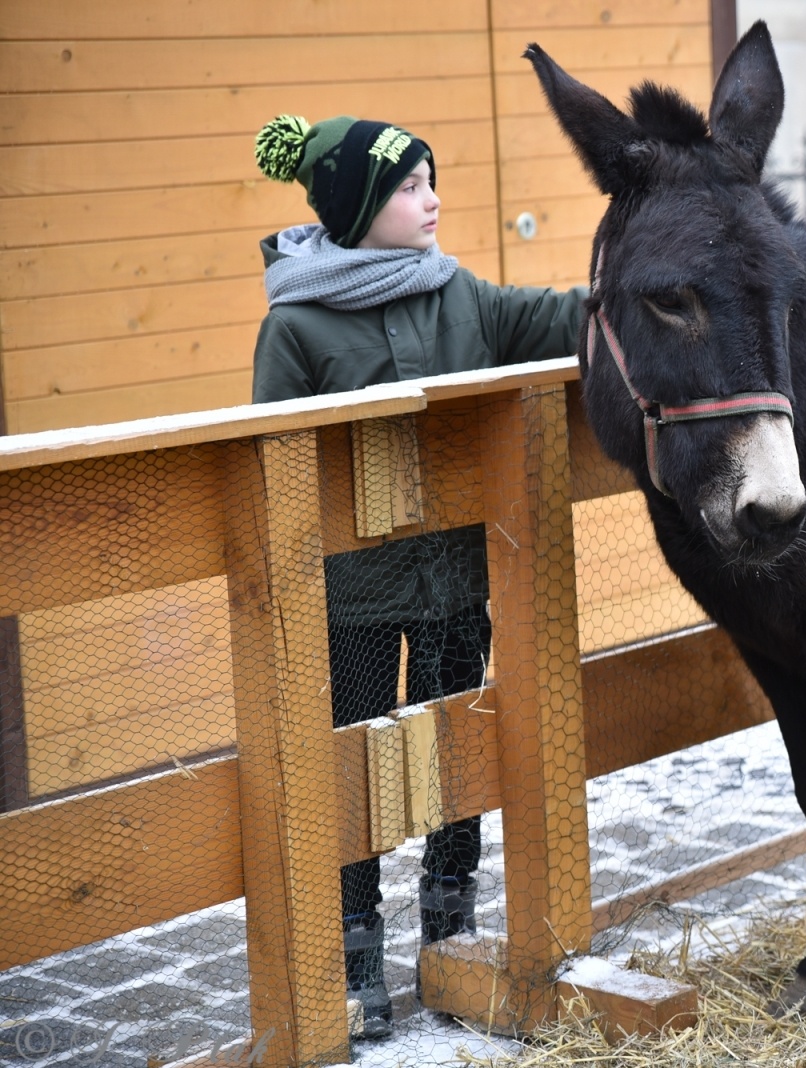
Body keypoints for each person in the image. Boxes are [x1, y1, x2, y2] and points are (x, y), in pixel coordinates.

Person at [251, 114, 587, 1040]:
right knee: (350, 771)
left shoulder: (459, 293)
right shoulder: (296, 325)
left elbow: (552, 316)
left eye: (433, 180)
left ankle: (453, 931)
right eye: (409, 187)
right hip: (353, 599)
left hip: (454, 588)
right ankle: (353, 953)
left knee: (462, 757)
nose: (433, 199)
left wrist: (642, 293)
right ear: (358, 207)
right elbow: (273, 464)